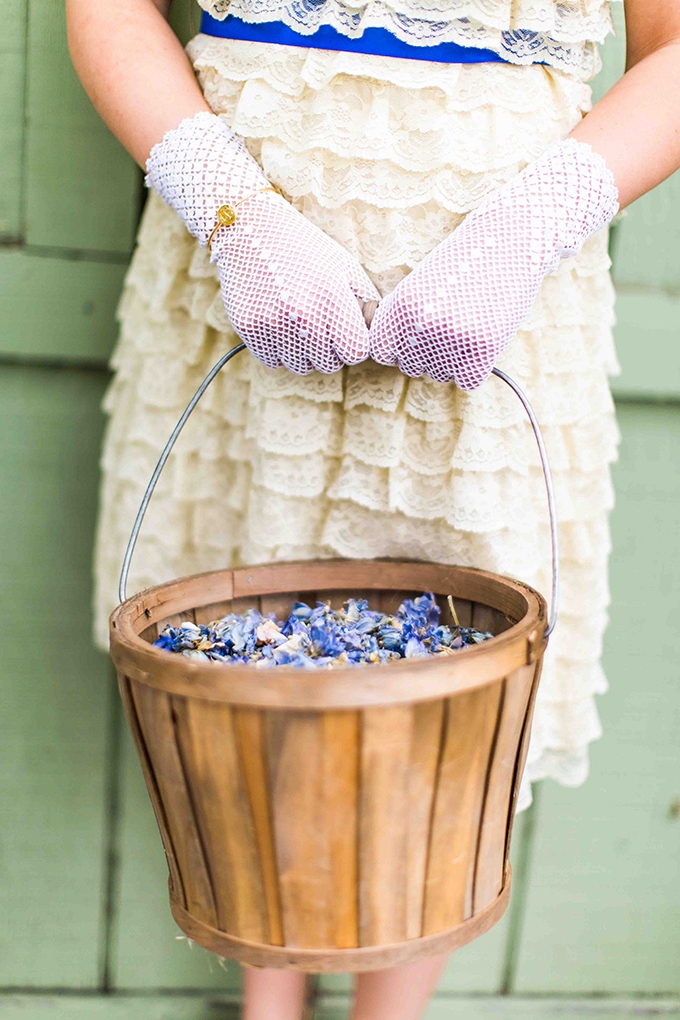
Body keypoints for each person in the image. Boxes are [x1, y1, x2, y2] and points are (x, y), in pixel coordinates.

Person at [67, 0, 680, 1016]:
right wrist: (233, 212)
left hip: (496, 295)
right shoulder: (234, 233)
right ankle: (270, 1007)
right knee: (237, 646)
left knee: (449, 687)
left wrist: (527, 233)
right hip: (237, 268)